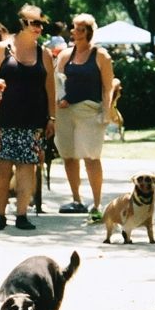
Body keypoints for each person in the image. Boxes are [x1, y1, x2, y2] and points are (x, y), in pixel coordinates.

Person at [0, 4, 56, 231]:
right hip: (6, 118)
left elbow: (50, 88)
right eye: (34, 22)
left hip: (33, 120)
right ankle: (1, 215)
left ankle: (22, 215)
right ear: (22, 23)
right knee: (3, 169)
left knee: (27, 169)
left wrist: (51, 118)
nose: (39, 28)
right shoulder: (1, 50)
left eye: (41, 23)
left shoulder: (43, 53)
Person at [54, 14, 114, 221]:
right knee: (68, 156)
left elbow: (108, 87)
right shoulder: (64, 55)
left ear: (88, 32)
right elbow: (58, 81)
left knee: (91, 157)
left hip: (90, 111)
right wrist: (59, 99)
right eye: (73, 28)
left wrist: (107, 112)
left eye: (79, 29)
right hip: (65, 111)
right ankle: (76, 199)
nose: (73, 32)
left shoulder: (100, 55)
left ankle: (97, 203)